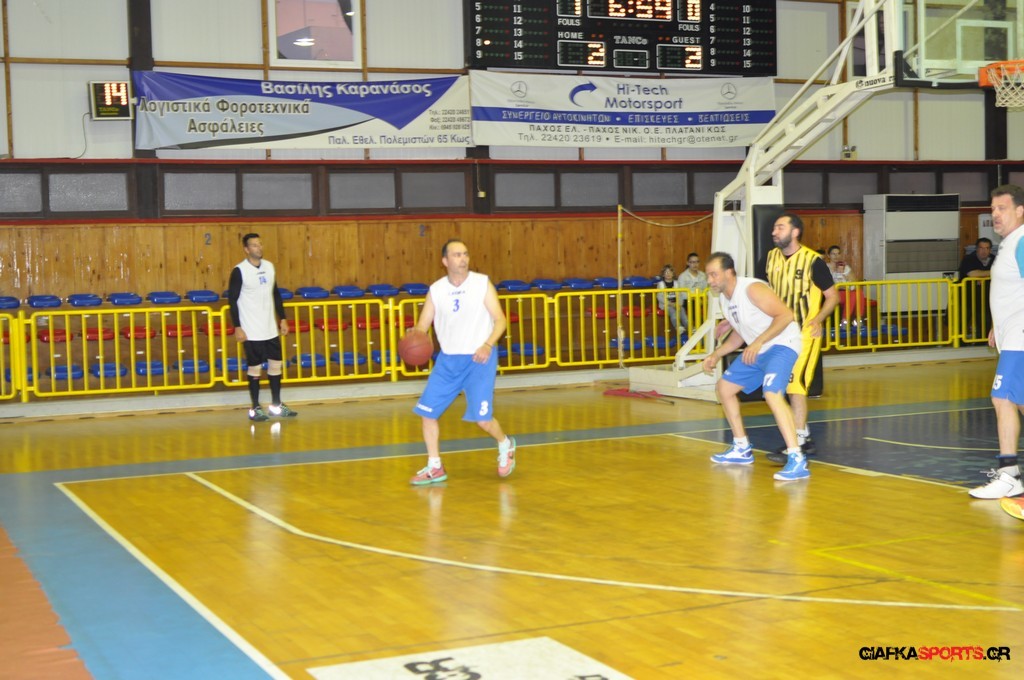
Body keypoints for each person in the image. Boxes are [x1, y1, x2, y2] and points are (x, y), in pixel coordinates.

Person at [409, 239, 517, 485]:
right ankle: (435, 466)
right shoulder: (436, 290)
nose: (463, 259)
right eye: (457, 255)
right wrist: (414, 336)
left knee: (483, 420)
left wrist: (487, 344)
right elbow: (423, 325)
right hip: (448, 361)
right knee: (427, 413)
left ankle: (505, 444)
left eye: (465, 254)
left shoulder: (481, 283)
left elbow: (500, 320)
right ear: (445, 261)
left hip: (480, 359)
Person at [702, 252, 808, 481]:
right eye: (707, 275)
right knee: (724, 388)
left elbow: (786, 315)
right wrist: (716, 354)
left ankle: (796, 458)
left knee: (772, 394)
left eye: (714, 274)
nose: (710, 280)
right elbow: (741, 334)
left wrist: (758, 342)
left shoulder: (752, 289)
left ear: (729, 273)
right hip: (758, 350)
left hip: (782, 344)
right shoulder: (725, 300)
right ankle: (741, 448)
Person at [760, 212, 839, 464]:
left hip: (804, 334)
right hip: (778, 332)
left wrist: (818, 319)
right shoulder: (769, 258)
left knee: (795, 387)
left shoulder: (813, 261)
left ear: (795, 232)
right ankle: (803, 435)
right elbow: (759, 292)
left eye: (780, 227)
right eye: (774, 227)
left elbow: (833, 297)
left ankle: (799, 441)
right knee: (780, 388)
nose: (774, 232)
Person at [969, 185, 1024, 500]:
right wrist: (997, 324)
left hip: (1021, 335)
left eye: (1002, 208)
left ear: (1020, 210)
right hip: (1011, 333)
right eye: (992, 209)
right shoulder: (1009, 244)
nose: (995, 214)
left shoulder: (1022, 241)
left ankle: (1009, 475)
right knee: (1019, 401)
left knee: (1001, 398)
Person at [228, 233, 297, 422]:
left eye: (260, 244)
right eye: (254, 245)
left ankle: (276, 405)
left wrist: (282, 319)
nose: (259, 248)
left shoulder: (269, 267)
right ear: (246, 249)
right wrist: (237, 327)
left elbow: (275, 294)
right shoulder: (240, 271)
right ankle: (255, 408)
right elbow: (232, 300)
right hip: (251, 330)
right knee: (255, 369)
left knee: (275, 366)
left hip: (269, 328)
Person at [957, 237, 994, 339]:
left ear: (990, 250)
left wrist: (982, 275)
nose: (984, 251)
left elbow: (1001, 272)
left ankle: (982, 342)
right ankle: (960, 344)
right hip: (966, 297)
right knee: (962, 322)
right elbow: (972, 274)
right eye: (981, 248)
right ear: (976, 249)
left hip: (985, 298)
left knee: (985, 323)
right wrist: (991, 273)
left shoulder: (994, 259)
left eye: (987, 248)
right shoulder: (968, 259)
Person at [677, 252, 709, 332]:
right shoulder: (683, 276)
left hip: (701, 299)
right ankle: (700, 326)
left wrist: (704, 298)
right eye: (692, 262)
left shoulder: (703, 275)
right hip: (688, 300)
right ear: (688, 263)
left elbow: (706, 289)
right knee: (693, 304)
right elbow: (682, 293)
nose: (695, 264)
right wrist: (695, 298)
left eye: (697, 262)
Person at [656, 264, 682, 334]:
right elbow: (659, 297)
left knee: (682, 312)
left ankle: (690, 327)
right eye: (666, 272)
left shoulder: (676, 283)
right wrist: (669, 303)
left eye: (670, 272)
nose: (668, 274)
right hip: (665, 305)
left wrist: (678, 304)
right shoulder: (660, 284)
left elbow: (680, 295)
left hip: (675, 303)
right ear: (663, 274)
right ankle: (678, 327)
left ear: (673, 274)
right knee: (672, 311)